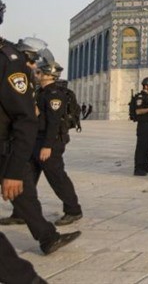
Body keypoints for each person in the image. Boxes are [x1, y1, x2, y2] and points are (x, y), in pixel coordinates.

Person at [0, 2, 80, 260]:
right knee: (25, 193)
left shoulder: (9, 62)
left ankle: (52, 231)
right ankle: (47, 237)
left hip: (11, 145)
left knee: (29, 187)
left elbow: (27, 120)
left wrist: (13, 170)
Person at [28, 55, 83, 226]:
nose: (36, 74)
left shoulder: (54, 94)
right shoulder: (41, 92)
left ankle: (73, 210)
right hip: (36, 139)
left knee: (56, 177)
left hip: (50, 141)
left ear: (47, 74)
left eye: (38, 72)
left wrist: (47, 146)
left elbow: (53, 123)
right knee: (28, 176)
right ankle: (22, 212)